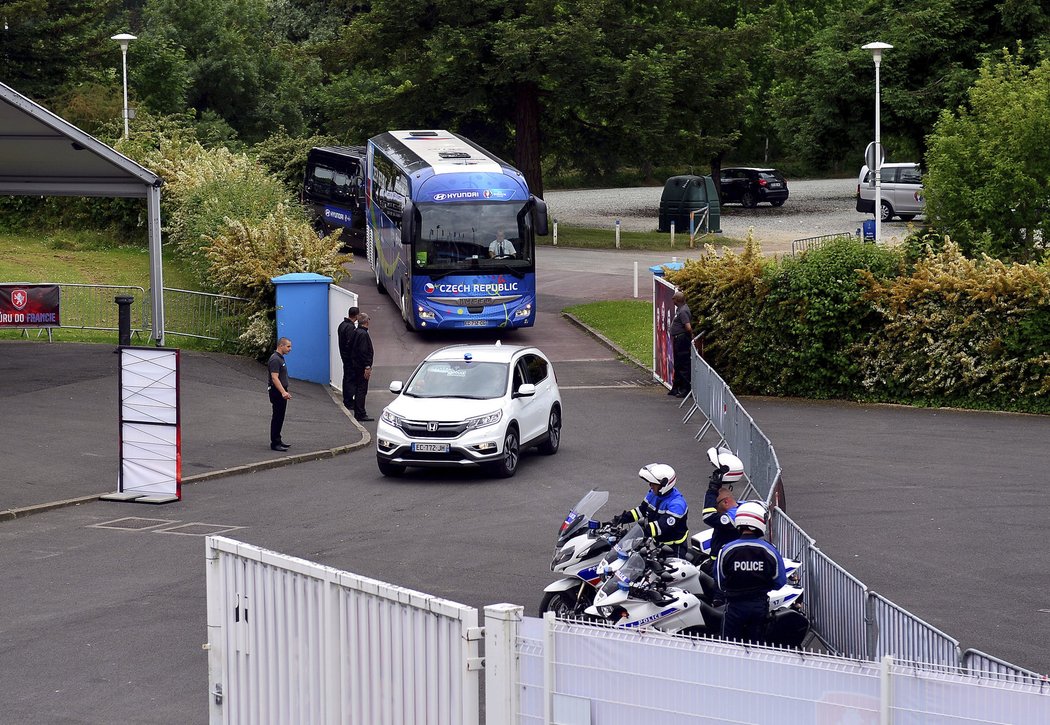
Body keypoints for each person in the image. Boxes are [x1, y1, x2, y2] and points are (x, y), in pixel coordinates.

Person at [715, 501, 787, 644]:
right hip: (759, 606)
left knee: (728, 648)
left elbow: (719, 580)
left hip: (734, 606)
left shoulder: (726, 550)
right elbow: (780, 581)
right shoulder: (770, 550)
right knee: (756, 649)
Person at [612, 463, 689, 557]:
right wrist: (621, 519)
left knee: (668, 571)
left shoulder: (677, 504)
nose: (650, 485)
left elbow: (661, 526)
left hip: (674, 549)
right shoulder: (653, 494)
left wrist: (636, 533)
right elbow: (641, 510)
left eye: (653, 483)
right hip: (657, 545)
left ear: (664, 485)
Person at [700, 448, 746, 574]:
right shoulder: (743, 507)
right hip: (724, 561)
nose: (713, 508)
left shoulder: (732, 518)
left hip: (723, 566)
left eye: (715, 504)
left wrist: (712, 490)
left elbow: (708, 516)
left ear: (725, 502)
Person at [267, 337, 293, 451]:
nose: (290, 349)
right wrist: (283, 392)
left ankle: (278, 439)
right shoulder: (275, 359)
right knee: (277, 417)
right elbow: (274, 378)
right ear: (280, 346)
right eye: (288, 346)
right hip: (277, 392)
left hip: (281, 391)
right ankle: (275, 443)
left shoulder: (280, 358)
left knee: (280, 417)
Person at [348, 312, 374, 421]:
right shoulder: (363, 334)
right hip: (361, 367)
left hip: (355, 365)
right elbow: (364, 352)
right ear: (366, 321)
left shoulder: (355, 332)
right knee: (361, 390)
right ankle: (360, 413)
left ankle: (359, 412)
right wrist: (367, 366)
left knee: (359, 388)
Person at [668, 290, 693, 397]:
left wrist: (690, 336)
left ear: (677, 300)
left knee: (683, 364)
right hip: (679, 339)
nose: (672, 300)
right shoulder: (681, 310)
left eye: (674, 298)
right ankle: (676, 387)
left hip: (682, 340)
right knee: (678, 364)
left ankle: (685, 389)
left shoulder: (683, 312)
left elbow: (688, 327)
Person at [337, 306, 360, 410]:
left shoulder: (342, 325)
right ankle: (349, 401)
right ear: (357, 315)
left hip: (344, 356)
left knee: (346, 377)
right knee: (350, 379)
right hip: (349, 358)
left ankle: (347, 399)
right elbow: (351, 344)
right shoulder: (350, 327)